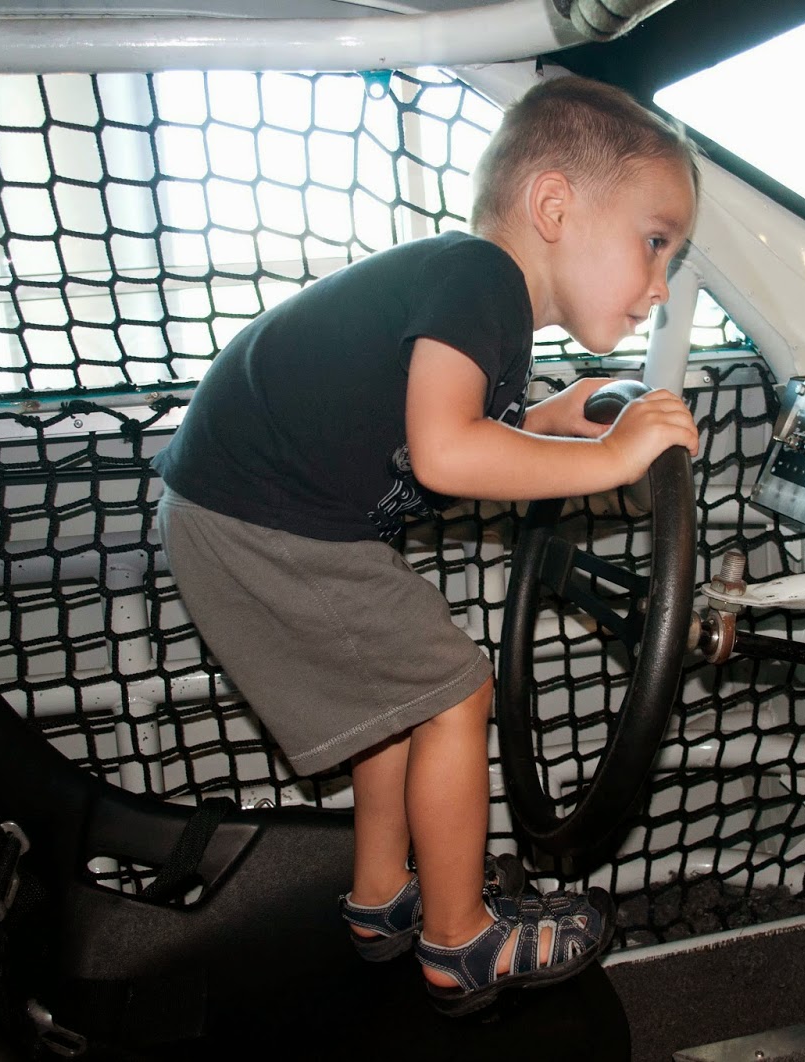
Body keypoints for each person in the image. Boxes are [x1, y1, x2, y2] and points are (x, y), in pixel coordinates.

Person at [153, 73, 700, 1016]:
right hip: (263, 519)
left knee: (402, 700)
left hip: (243, 508)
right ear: (555, 205)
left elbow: (438, 420)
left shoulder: (480, 302)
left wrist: (542, 418)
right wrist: (612, 456)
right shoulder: (480, 277)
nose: (660, 285)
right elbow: (447, 454)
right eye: (655, 244)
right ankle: (458, 942)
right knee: (457, 692)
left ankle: (380, 902)